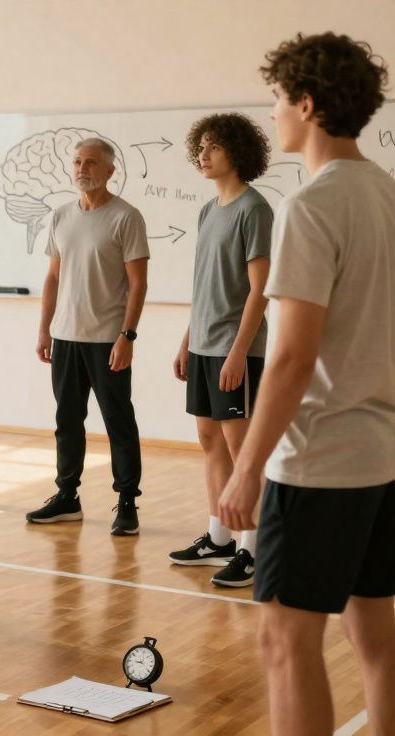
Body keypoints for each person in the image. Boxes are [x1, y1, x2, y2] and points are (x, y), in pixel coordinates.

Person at [219, 32, 395, 734]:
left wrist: (247, 469)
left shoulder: (312, 205)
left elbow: (291, 356)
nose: (271, 117)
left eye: (276, 102)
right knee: (377, 641)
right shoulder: (386, 193)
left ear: (308, 104)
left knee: (286, 644)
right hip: (381, 458)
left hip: (319, 465)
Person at [168, 113, 272, 588]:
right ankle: (219, 537)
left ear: (236, 152)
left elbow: (260, 291)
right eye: (201, 148)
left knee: (241, 449)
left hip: (237, 352)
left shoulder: (254, 209)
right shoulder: (209, 210)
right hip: (205, 346)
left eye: (212, 148)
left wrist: (237, 352)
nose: (203, 156)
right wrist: (188, 341)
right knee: (210, 440)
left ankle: (253, 550)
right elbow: (202, 285)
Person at [28, 138, 150, 535]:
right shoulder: (61, 216)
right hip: (65, 337)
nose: (82, 168)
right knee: (67, 419)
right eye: (77, 161)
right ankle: (67, 496)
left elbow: (138, 283)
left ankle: (127, 501)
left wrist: (127, 335)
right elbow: (52, 277)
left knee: (118, 420)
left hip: (107, 340)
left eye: (92, 163)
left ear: (110, 171)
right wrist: (45, 328)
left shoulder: (126, 217)